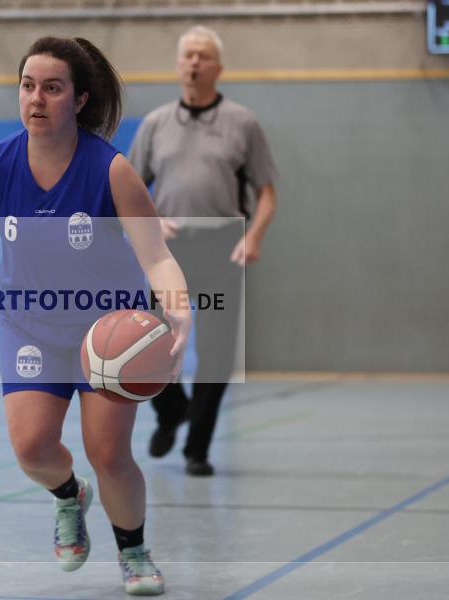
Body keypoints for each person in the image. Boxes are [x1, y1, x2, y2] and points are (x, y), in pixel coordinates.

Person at [0, 37, 191, 596]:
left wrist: (179, 309)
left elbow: (156, 256)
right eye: (28, 86)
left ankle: (134, 551)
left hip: (106, 333)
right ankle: (69, 496)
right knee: (31, 448)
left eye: (52, 88)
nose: (36, 98)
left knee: (109, 453)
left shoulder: (111, 171)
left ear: (79, 100)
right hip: (29, 324)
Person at [128, 25, 277, 477]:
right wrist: (149, 222)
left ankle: (197, 449)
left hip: (222, 250)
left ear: (218, 67)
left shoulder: (243, 123)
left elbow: (267, 192)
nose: (194, 62)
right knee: (148, 344)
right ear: (178, 65)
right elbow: (128, 190)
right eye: (188, 55)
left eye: (203, 56)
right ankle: (172, 410)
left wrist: (254, 236)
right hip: (167, 252)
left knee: (216, 353)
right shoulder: (155, 124)